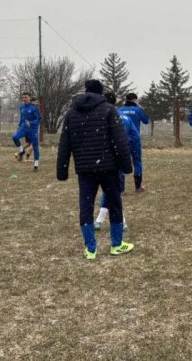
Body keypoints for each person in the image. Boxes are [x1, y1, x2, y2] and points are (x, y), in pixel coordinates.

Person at [57, 79, 134, 259]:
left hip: (85, 169)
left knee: (86, 206)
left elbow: (64, 144)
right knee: (114, 204)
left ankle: (90, 249)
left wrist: (62, 170)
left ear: (85, 91)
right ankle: (116, 244)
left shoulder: (71, 113)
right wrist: (126, 166)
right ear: (101, 92)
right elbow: (120, 140)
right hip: (109, 168)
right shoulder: (109, 109)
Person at [95, 92, 139, 231]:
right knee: (113, 189)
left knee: (109, 189)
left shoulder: (98, 117)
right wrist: (127, 148)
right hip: (119, 158)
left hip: (103, 158)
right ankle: (117, 221)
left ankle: (102, 219)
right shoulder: (125, 118)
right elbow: (135, 137)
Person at [118, 92, 149, 191]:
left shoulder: (119, 110)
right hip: (134, 139)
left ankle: (121, 189)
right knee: (137, 162)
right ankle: (138, 187)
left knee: (121, 163)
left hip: (122, 140)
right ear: (135, 100)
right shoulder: (137, 109)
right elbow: (146, 121)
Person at [13, 92, 41, 171]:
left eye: (26, 97)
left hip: (33, 130)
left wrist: (31, 122)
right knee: (15, 137)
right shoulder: (22, 108)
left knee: (35, 147)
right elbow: (22, 118)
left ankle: (36, 166)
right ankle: (21, 151)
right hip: (24, 128)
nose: (24, 99)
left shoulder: (34, 108)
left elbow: (39, 119)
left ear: (29, 98)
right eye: (23, 97)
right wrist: (19, 126)